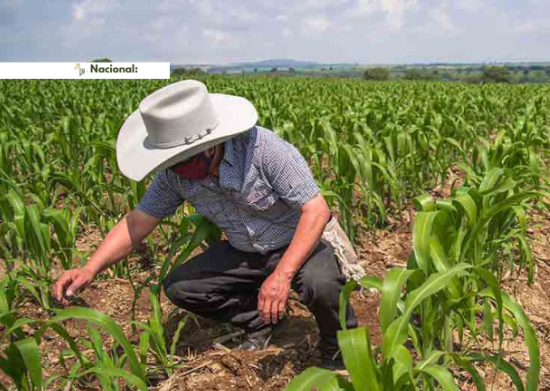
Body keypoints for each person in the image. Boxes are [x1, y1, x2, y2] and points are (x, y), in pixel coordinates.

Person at [52, 80, 357, 369]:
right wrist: (89, 268)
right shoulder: (175, 175)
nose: (178, 172)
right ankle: (260, 320)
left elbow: (315, 211)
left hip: (298, 242)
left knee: (322, 284)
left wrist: (282, 275)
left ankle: (338, 347)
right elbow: (138, 222)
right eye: (171, 163)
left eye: (184, 162)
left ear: (210, 146)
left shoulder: (263, 149)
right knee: (182, 287)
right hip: (245, 250)